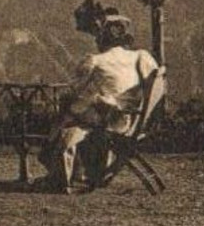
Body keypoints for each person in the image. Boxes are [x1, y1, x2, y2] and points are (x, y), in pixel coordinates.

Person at [41, 10, 160, 192]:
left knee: (68, 113)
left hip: (108, 121)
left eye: (98, 36)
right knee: (78, 112)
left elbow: (75, 88)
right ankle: (81, 170)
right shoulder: (141, 57)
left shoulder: (95, 60)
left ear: (103, 38)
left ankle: (62, 170)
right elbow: (154, 80)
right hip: (131, 121)